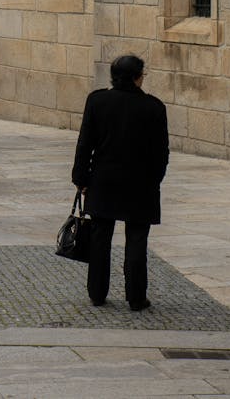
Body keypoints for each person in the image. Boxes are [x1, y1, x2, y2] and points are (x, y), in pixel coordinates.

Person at [72, 53, 168, 310]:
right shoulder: (154, 107)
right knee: (137, 240)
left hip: (103, 180)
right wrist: (155, 179)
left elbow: (85, 144)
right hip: (141, 183)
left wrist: (80, 178)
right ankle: (136, 297)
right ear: (138, 78)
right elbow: (161, 152)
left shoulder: (97, 101)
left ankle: (97, 293)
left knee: (100, 238)